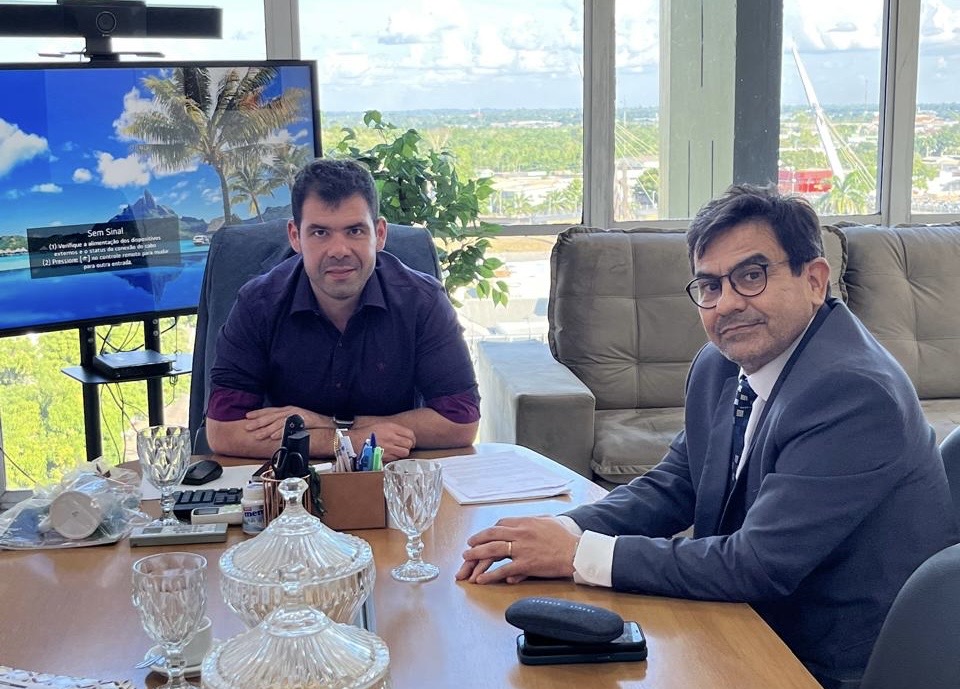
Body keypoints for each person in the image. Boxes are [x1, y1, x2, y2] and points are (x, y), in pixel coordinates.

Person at [457, 184, 959, 689]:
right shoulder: (720, 365)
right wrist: (559, 530)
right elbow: (675, 485)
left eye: (751, 276)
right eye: (710, 286)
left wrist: (576, 554)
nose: (727, 304)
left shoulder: (853, 393)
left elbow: (756, 565)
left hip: (832, 662)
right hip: (747, 622)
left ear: (813, 280)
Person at [206, 158, 480, 462]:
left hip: (391, 472)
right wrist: (350, 441)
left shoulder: (422, 300)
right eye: (320, 233)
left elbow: (461, 420)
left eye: (355, 231)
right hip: (293, 480)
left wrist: (330, 425)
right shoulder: (257, 304)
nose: (339, 251)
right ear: (295, 236)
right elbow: (223, 430)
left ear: (379, 234)